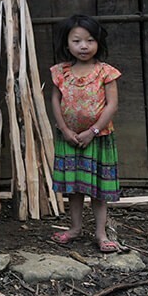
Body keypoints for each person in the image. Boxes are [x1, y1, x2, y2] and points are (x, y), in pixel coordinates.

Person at [49, 14, 122, 253]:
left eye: (90, 40)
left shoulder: (106, 72)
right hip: (70, 139)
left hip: (98, 138)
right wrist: (65, 129)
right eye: (77, 40)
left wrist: (93, 130)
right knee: (75, 189)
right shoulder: (60, 72)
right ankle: (75, 228)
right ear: (67, 44)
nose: (83, 46)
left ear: (98, 42)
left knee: (98, 190)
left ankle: (101, 233)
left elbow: (111, 105)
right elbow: (55, 100)